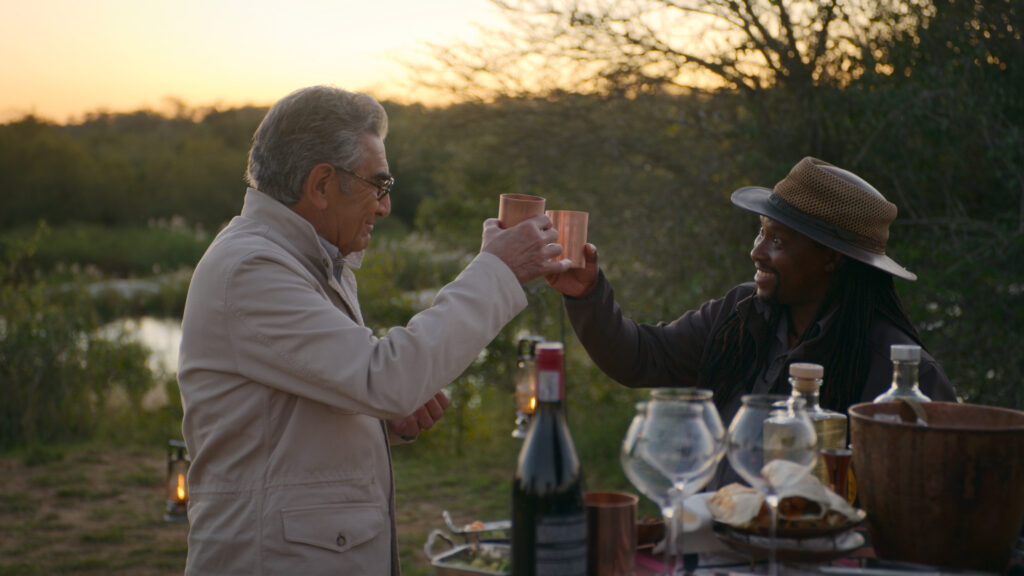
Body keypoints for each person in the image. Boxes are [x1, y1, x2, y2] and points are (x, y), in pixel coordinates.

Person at [177, 85, 571, 575]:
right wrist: (497, 270)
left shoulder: (310, 260)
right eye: (378, 185)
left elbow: (299, 405)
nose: (384, 207)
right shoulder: (253, 268)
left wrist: (376, 419)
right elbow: (383, 379)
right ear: (321, 185)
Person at [546, 156, 957, 488]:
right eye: (760, 234)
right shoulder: (739, 314)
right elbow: (640, 357)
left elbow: (932, 496)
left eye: (777, 240)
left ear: (832, 259)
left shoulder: (900, 371)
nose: (757, 252)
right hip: (714, 546)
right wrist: (587, 294)